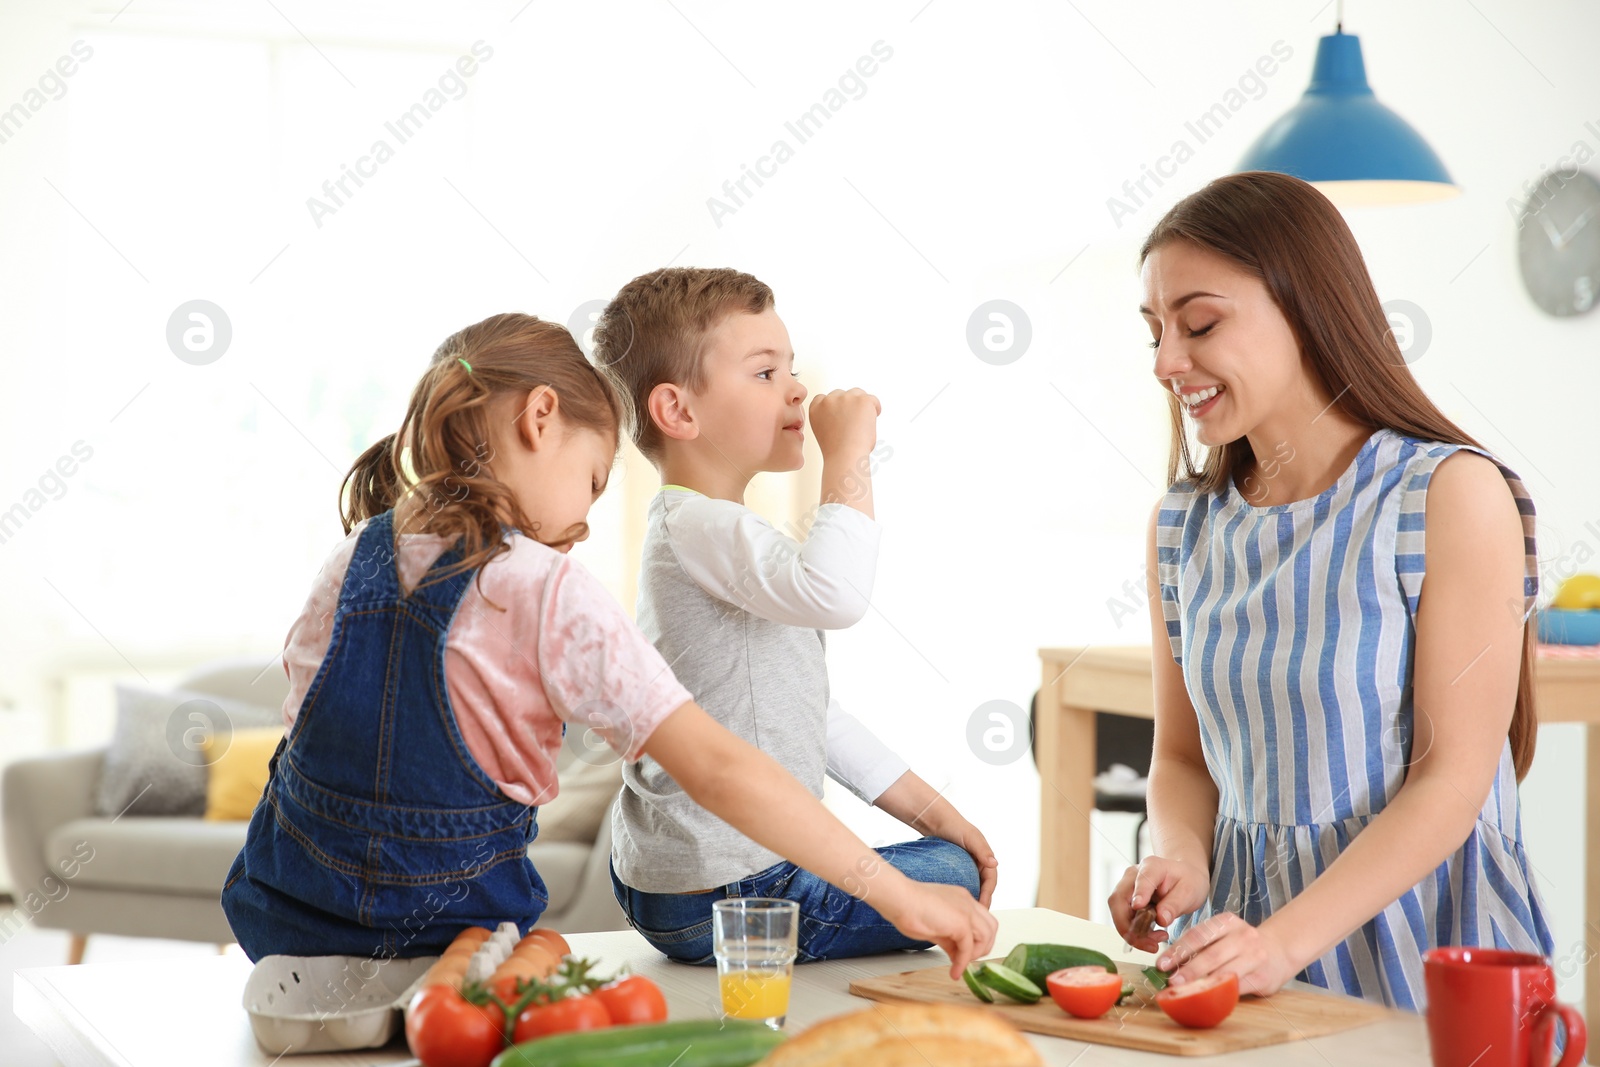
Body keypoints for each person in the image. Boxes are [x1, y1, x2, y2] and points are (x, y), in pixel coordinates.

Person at [220, 312, 996, 978]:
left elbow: (312, 732)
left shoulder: (351, 555)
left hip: (288, 922)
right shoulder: (543, 587)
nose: (586, 519)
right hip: (447, 940)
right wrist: (901, 896)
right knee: (945, 874)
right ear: (540, 416)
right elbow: (719, 768)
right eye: (592, 480)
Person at [1110, 172, 1555, 1010]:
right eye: (1155, 332)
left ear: (1307, 309)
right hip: (1244, 951)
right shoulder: (1183, 526)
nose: (1168, 361)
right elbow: (1179, 758)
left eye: (1200, 323)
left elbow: (1453, 779)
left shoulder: (1446, 495)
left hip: (1427, 948)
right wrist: (1178, 855)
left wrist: (1283, 943)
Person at [595, 267, 998, 964]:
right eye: (763, 372)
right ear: (678, 411)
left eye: (791, 367)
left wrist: (938, 812)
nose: (797, 389)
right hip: (727, 891)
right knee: (951, 875)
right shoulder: (700, 526)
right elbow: (837, 592)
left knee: (946, 854)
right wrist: (848, 455)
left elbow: (815, 713)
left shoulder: (715, 537)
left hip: (677, 883)